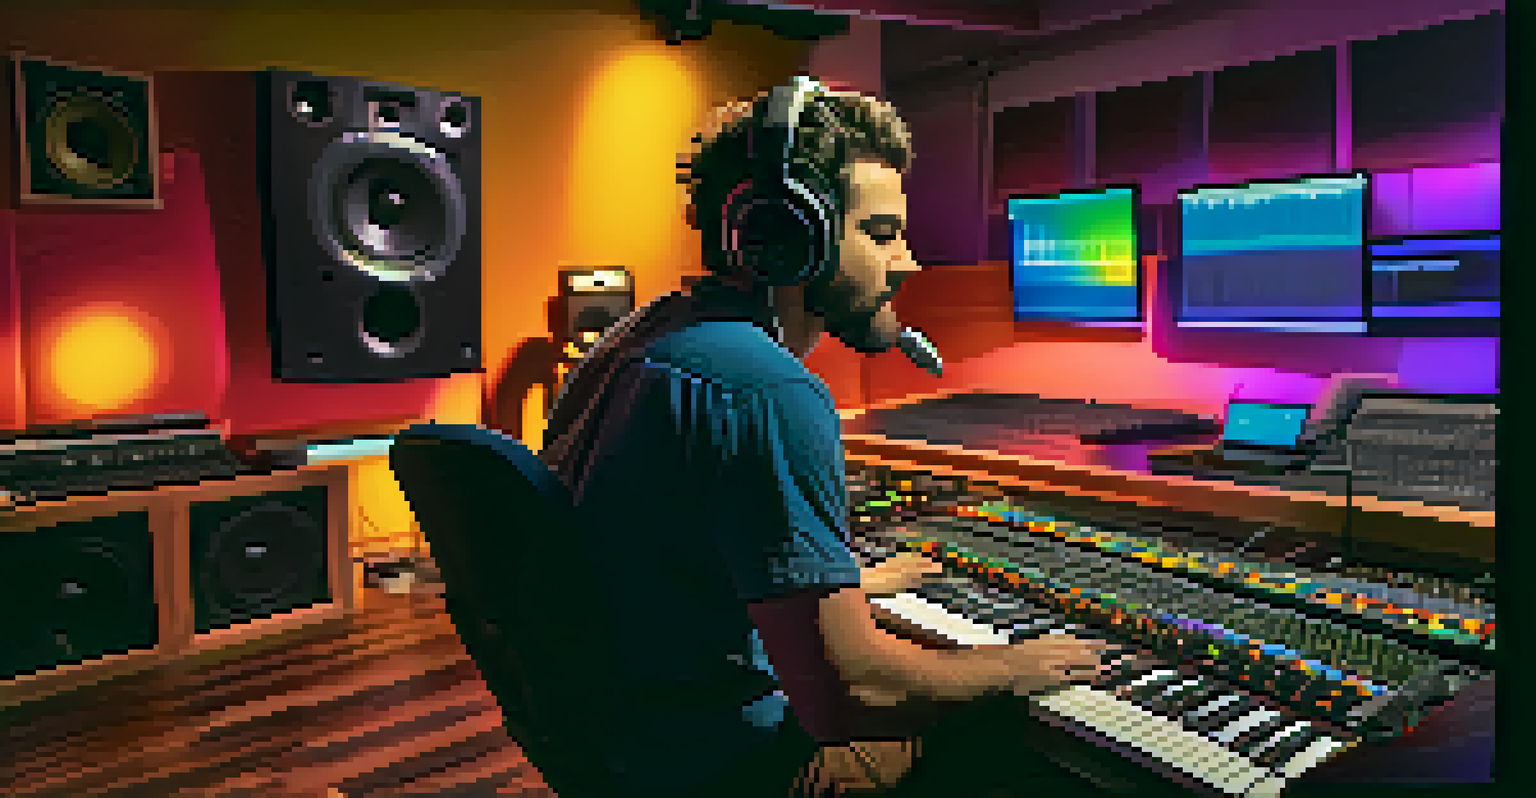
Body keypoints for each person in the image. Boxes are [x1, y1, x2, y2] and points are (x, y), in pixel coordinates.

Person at [536, 76, 1107, 798]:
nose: (909, 263)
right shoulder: (765, 388)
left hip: (636, 744)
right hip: (735, 770)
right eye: (882, 234)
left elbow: (670, 566)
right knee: (1038, 741)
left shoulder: (637, 341)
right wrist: (1012, 666)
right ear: (787, 239)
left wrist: (845, 588)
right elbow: (849, 696)